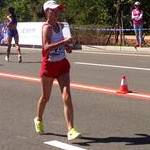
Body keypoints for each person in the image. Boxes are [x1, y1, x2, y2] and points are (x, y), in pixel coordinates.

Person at [34, 0, 81, 140]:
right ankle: (39, 119)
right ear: (47, 11)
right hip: (49, 66)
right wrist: (64, 42)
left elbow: (67, 48)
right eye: (53, 10)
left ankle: (71, 130)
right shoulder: (46, 28)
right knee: (45, 97)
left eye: (58, 10)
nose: (56, 12)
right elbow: (45, 49)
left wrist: (68, 47)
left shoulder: (61, 26)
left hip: (62, 65)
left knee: (67, 96)